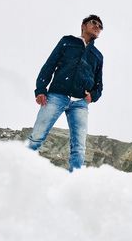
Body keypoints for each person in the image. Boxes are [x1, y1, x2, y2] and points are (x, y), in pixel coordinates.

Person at [28, 15, 104, 172]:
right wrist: (41, 89)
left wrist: (92, 96)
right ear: (83, 25)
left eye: (100, 26)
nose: (97, 27)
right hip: (57, 95)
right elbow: (50, 65)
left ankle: (74, 182)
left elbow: (99, 84)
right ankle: (21, 168)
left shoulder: (97, 55)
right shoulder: (67, 42)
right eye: (94, 23)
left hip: (80, 104)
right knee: (37, 136)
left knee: (79, 147)